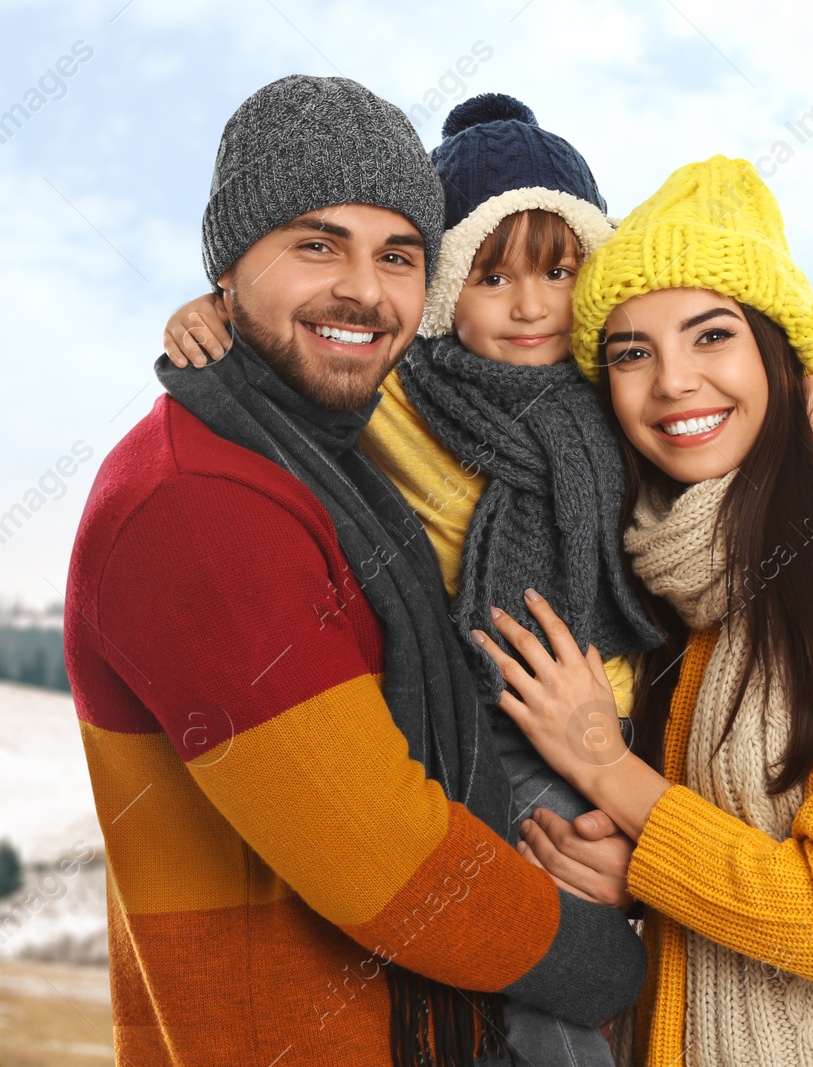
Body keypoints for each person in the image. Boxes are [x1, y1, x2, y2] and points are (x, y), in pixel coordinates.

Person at [158, 92, 813, 1066]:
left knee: (625, 952)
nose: (530, 306)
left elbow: (712, 405)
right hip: (491, 720)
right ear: (445, 290)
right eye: (490, 276)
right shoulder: (406, 390)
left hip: (630, 722)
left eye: (559, 271)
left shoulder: (612, 396)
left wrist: (809, 377)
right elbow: (311, 358)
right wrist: (216, 314)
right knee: (545, 975)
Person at [65, 75, 645, 1067]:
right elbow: (395, 864)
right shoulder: (199, 503)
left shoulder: (316, 450)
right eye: (316, 243)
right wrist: (627, 958)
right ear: (226, 269)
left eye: (398, 255)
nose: (364, 289)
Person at [474, 156, 813, 1065]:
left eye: (711, 335)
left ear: (781, 357)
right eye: (631, 352)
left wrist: (605, 766)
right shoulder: (673, 586)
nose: (673, 381)